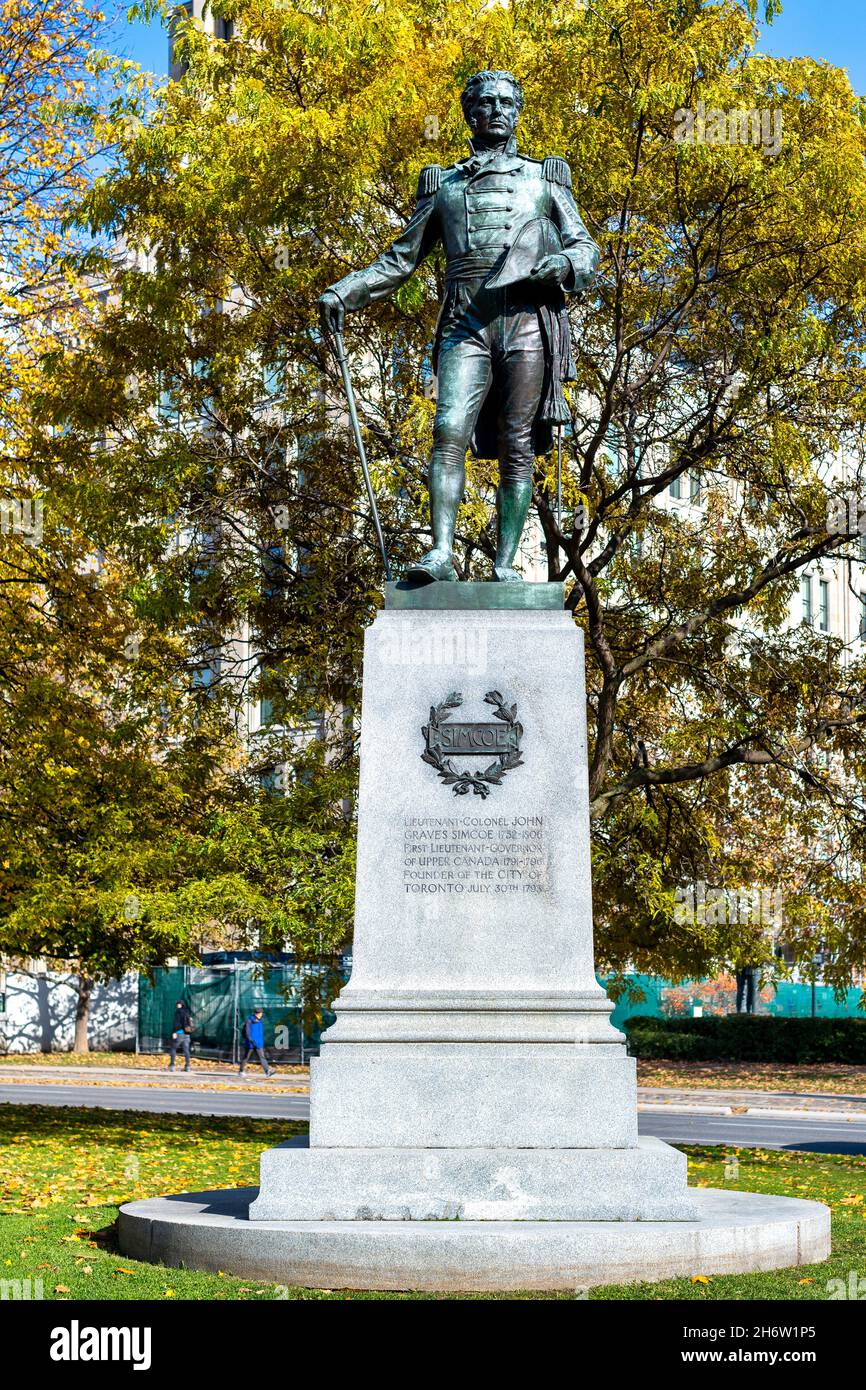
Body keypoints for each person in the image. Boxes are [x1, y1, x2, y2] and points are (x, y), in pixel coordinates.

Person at [318, 69, 599, 583]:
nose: (496, 110)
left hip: (526, 323)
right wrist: (345, 290)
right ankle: (441, 554)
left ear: (517, 111)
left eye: (506, 102)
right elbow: (398, 262)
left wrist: (565, 265)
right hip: (464, 322)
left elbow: (585, 246)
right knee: (448, 429)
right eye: (485, 103)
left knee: (517, 442)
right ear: (469, 114)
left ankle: (505, 565)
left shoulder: (545, 180)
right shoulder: (444, 185)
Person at [240, 1006, 273, 1077]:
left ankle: (267, 1072)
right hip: (250, 1043)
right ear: (255, 1014)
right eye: (259, 1013)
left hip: (259, 1043)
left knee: (262, 1057)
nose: (260, 1014)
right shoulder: (249, 1021)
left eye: (261, 1013)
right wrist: (251, 1040)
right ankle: (241, 1071)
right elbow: (247, 1032)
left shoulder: (260, 1021)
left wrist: (259, 1042)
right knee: (246, 1057)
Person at [168, 998, 193, 1071]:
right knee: (186, 1050)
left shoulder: (178, 1012)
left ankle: (172, 1066)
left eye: (178, 1004)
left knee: (173, 1048)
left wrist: (174, 1032)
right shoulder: (187, 1012)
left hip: (179, 1033)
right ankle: (187, 1066)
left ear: (180, 1005)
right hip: (187, 1034)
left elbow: (176, 1023)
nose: (177, 1005)